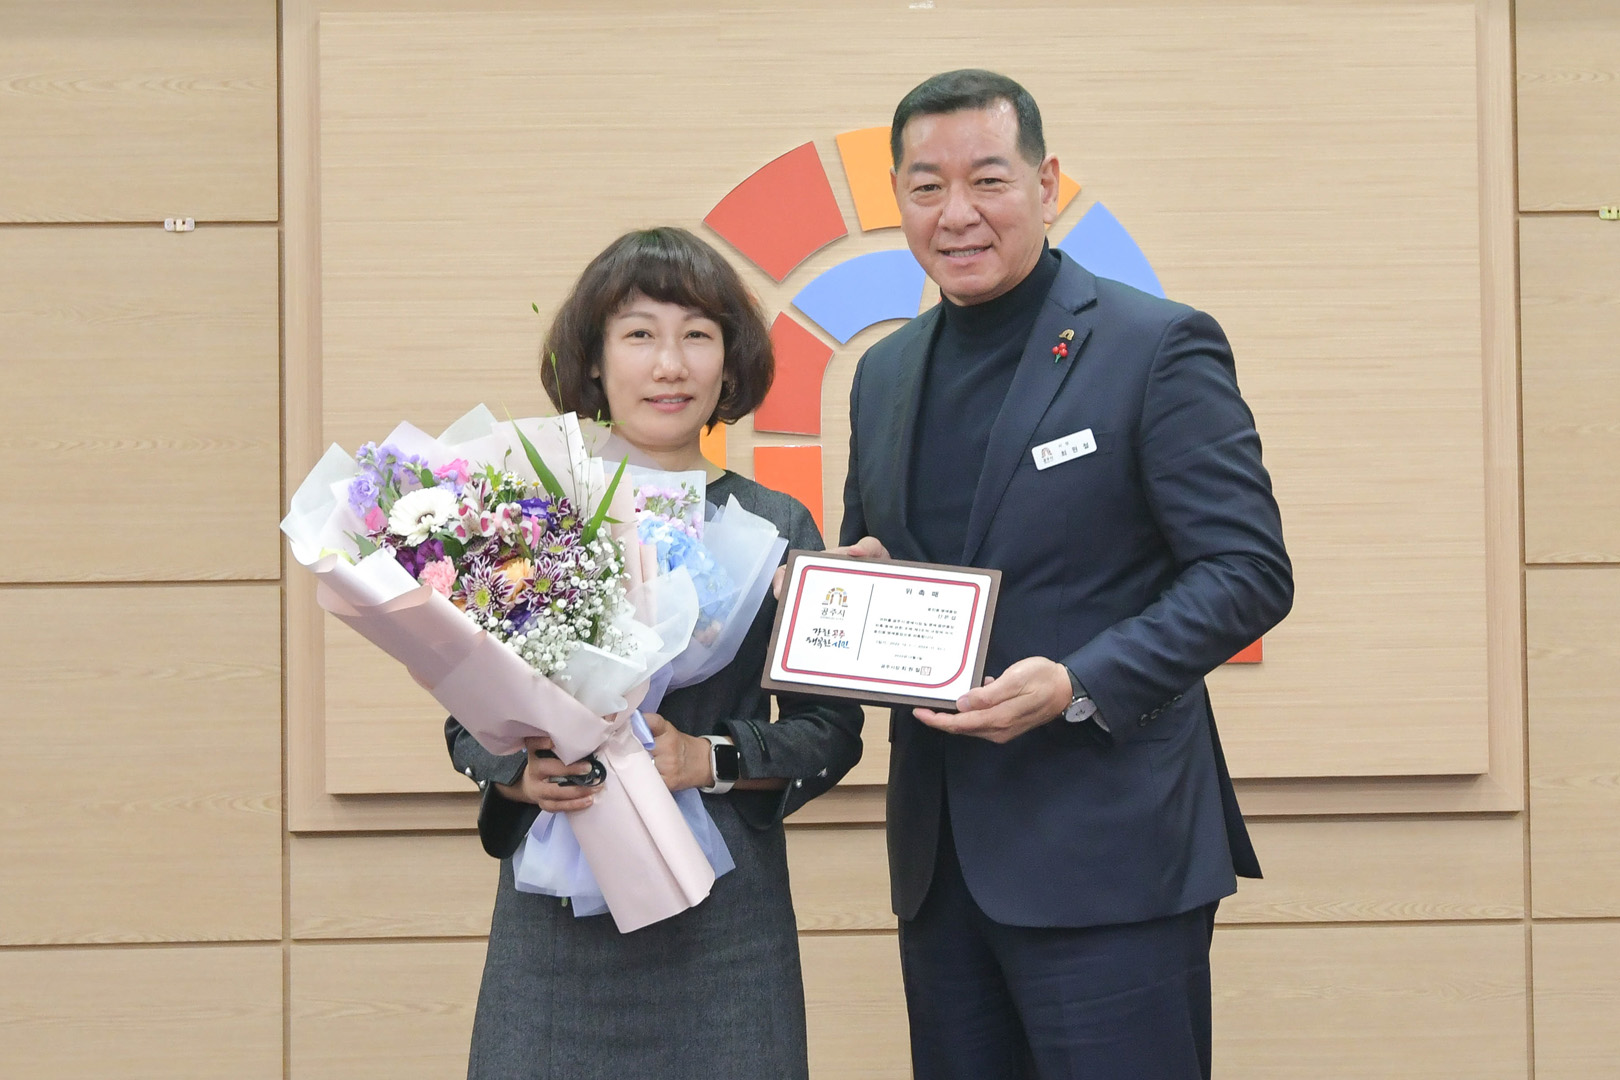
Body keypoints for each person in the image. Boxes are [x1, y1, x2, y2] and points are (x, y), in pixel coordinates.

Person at [838, 70, 1293, 1079]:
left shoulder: (1155, 344)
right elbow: (883, 559)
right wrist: (854, 589)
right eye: (926, 186)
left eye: (988, 179)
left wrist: (1080, 682)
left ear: (1046, 185)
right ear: (899, 198)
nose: (957, 213)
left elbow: (1248, 571)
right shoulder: (883, 373)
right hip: (942, 866)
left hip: (1111, 855)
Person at [444, 226, 864, 1080]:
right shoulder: (533, 513)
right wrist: (518, 773)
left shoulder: (774, 525)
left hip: (726, 922)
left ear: (728, 364)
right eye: (640, 334)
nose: (670, 365)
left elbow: (831, 731)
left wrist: (709, 757)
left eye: (696, 335)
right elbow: (465, 720)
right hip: (553, 923)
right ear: (595, 361)